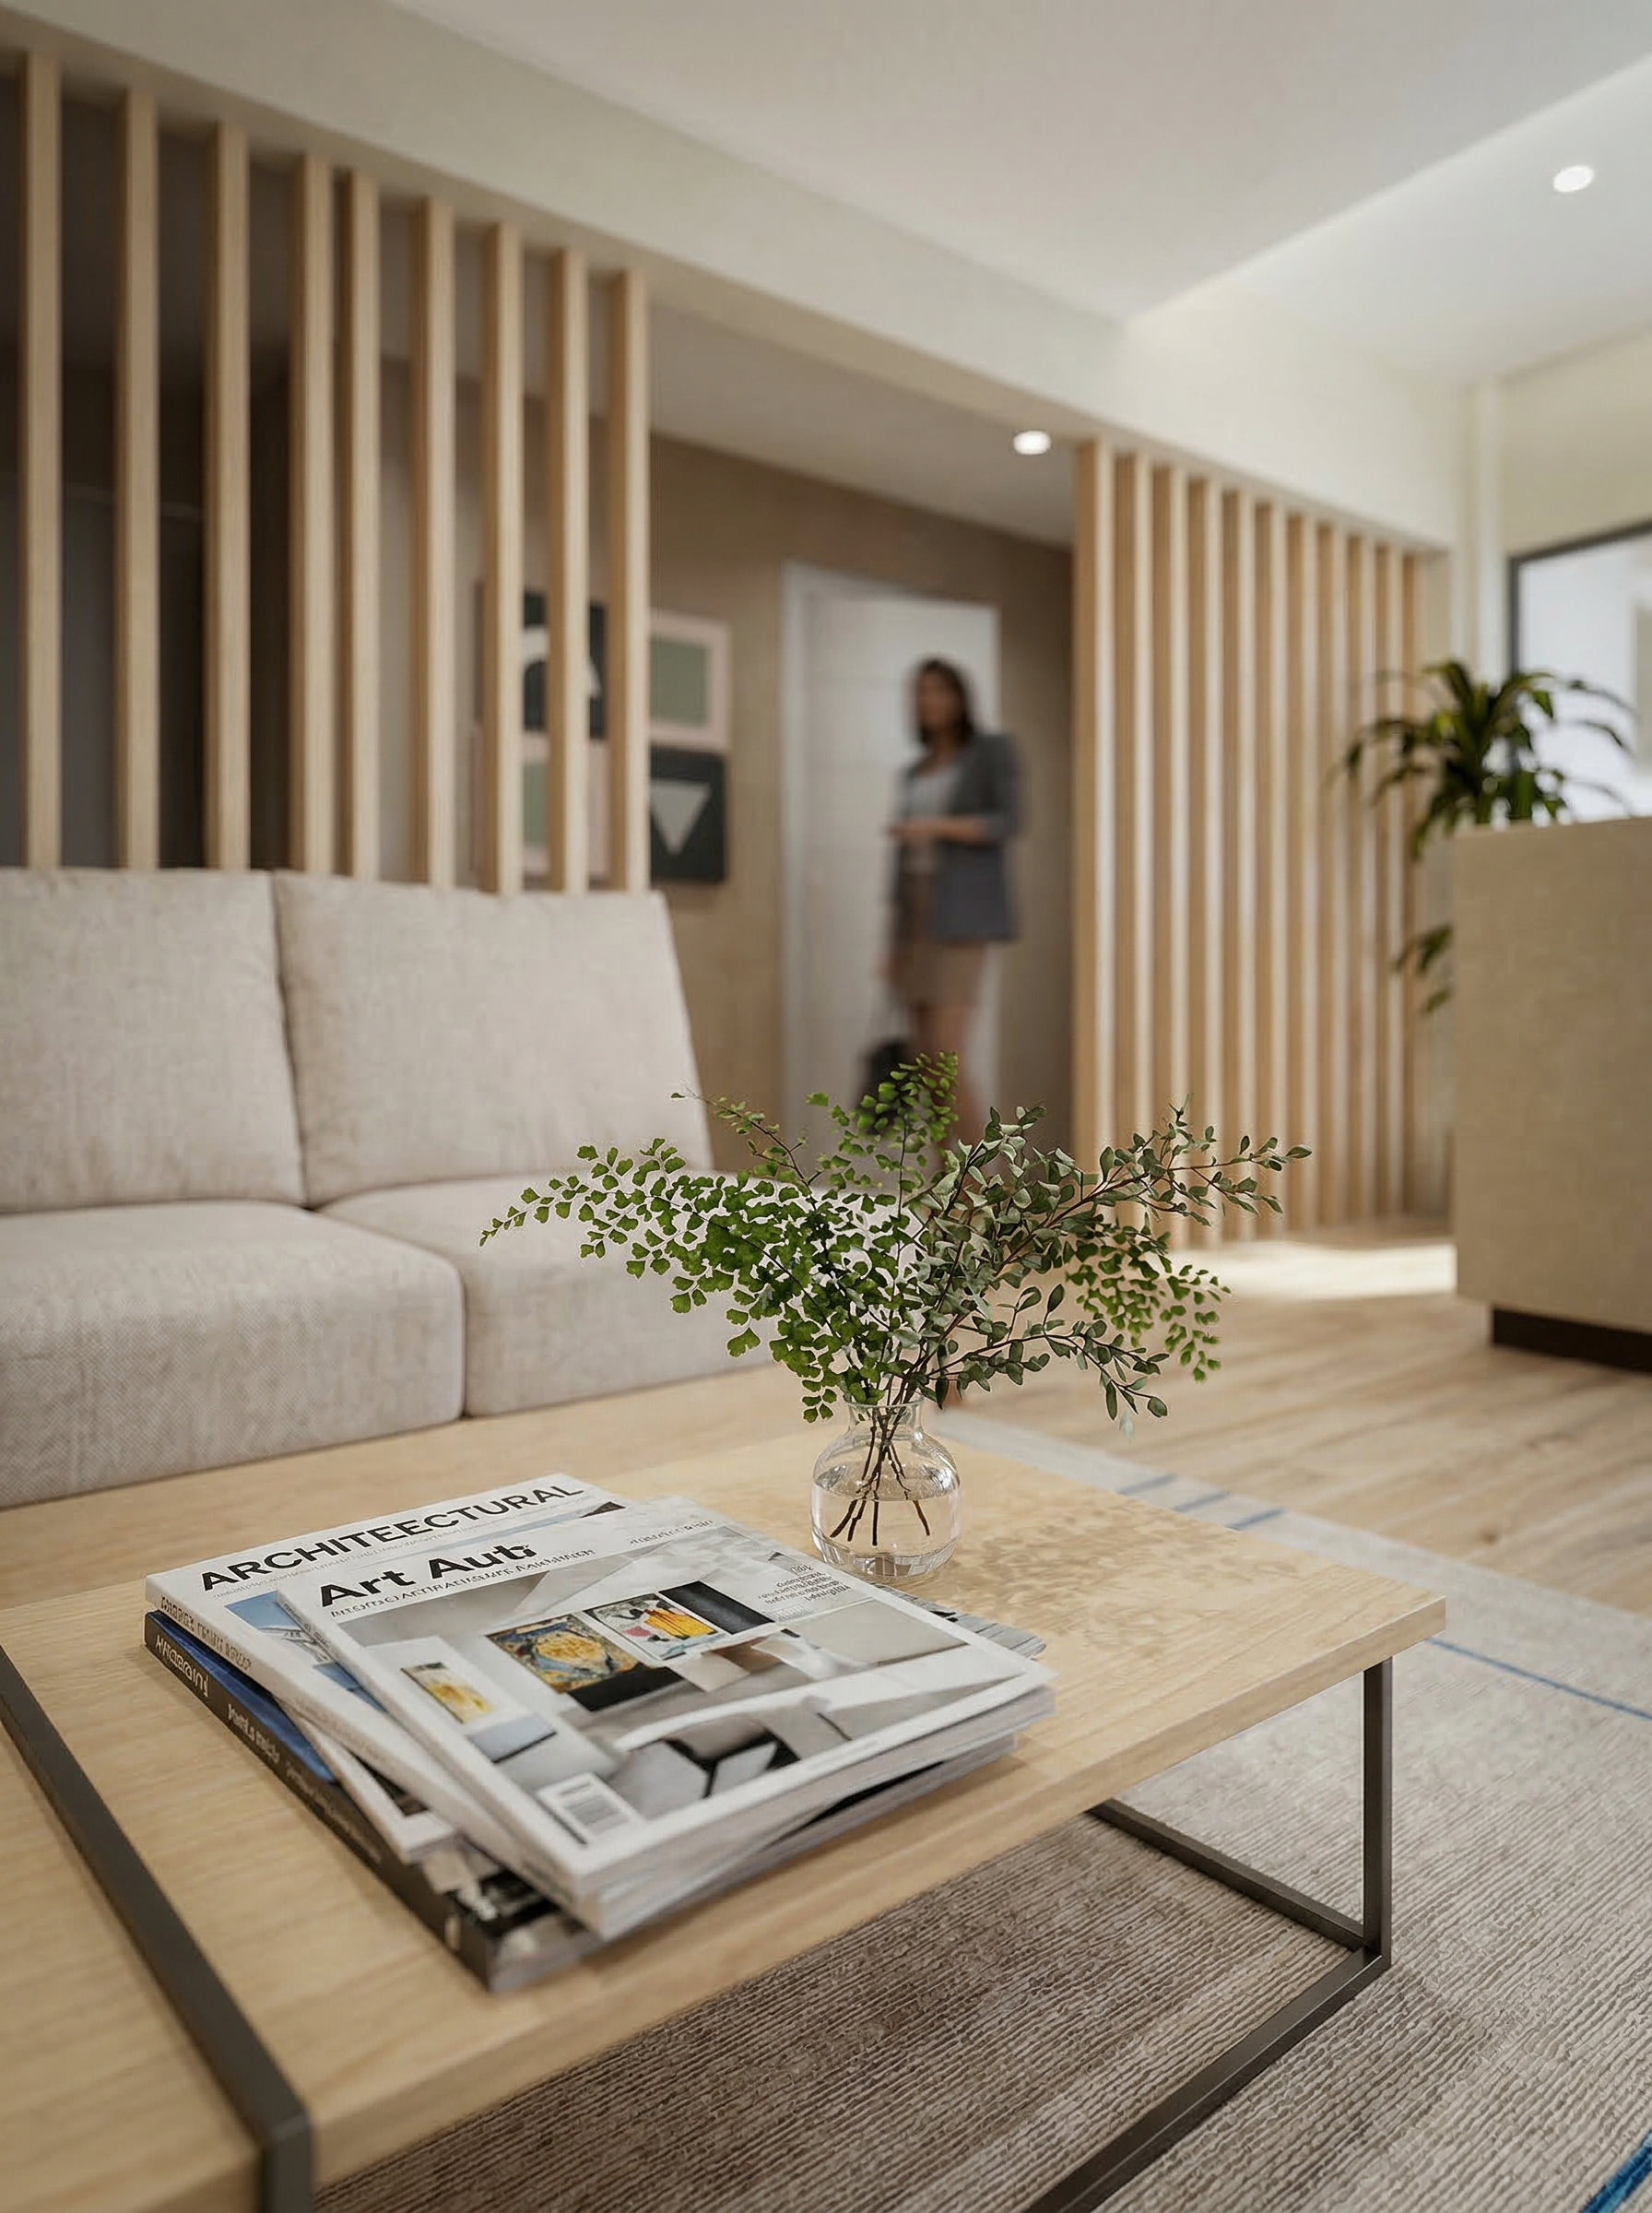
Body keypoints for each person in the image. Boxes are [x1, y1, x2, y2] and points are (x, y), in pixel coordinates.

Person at [883, 657, 1020, 1140]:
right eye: (921, 692)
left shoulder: (989, 753)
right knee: (924, 1063)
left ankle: (976, 1190)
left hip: (961, 916)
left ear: (960, 698)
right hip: (917, 913)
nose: (929, 702)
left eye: (940, 691)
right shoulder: (914, 771)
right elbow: (899, 874)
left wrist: (932, 827)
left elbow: (1007, 822)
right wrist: (894, 945)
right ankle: (949, 1188)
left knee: (944, 1056)